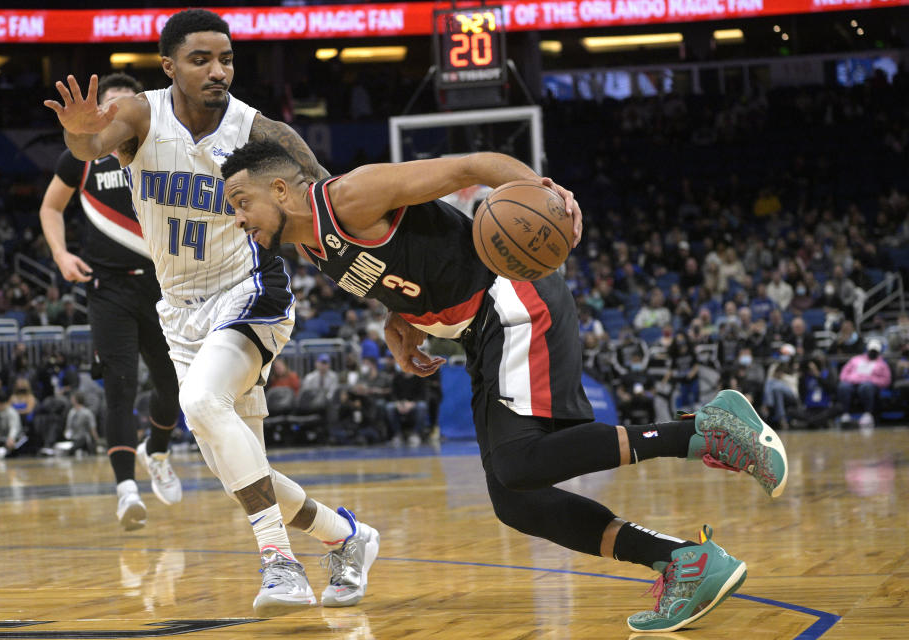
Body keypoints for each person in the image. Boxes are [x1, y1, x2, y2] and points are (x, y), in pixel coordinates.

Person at [221, 140, 789, 632]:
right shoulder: (311, 244)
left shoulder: (349, 197)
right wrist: (400, 322)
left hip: (510, 297)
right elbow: (404, 268)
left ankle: (709, 431)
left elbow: (469, 166)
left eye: (241, 203)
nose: (239, 219)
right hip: (478, 331)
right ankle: (682, 561)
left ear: (281, 189)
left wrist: (545, 192)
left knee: (517, 465)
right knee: (517, 499)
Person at [43, 9, 378, 614]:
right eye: (201, 59)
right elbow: (90, 145)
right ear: (168, 66)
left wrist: (395, 305)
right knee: (243, 475)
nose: (218, 70)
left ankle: (281, 565)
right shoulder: (142, 115)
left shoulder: (261, 131)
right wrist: (75, 131)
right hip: (180, 310)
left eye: (226, 58)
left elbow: (334, 208)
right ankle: (347, 537)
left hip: (249, 291)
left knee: (200, 403)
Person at [40, 72, 183, 531]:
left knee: (174, 388)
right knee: (119, 385)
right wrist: (61, 253)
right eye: (108, 108)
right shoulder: (81, 159)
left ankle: (157, 451)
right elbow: (50, 207)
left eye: (126, 105)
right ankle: (125, 489)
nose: (116, 114)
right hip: (108, 289)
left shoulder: (165, 150)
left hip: (164, 286)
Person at [837, 338, 892, 428]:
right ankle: (845, 414)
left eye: (875, 351)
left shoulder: (882, 364)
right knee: (843, 387)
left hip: (870, 385)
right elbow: (843, 374)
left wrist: (871, 380)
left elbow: (886, 380)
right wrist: (852, 379)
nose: (872, 352)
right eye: (871, 350)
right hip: (852, 383)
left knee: (866, 387)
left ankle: (868, 414)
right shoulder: (856, 359)